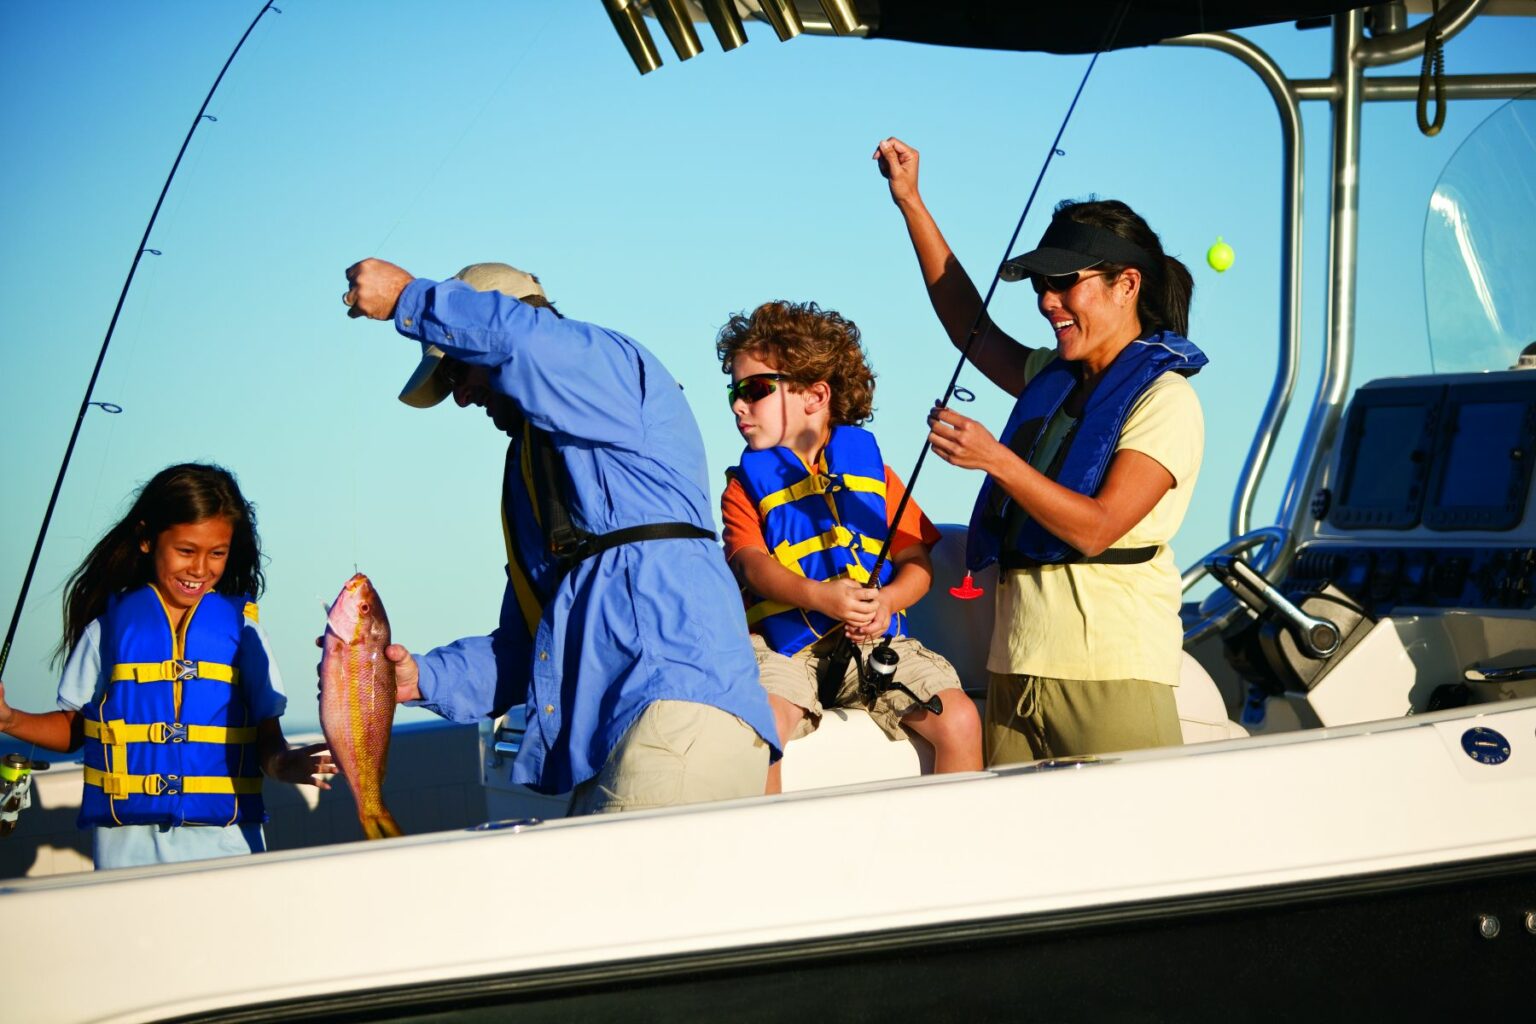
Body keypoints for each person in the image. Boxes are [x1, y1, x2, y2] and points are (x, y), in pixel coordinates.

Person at [342, 258, 779, 813]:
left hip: (676, 706)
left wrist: (409, 298)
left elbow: (523, 342)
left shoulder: (604, 364)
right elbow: (527, 645)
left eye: (457, 371)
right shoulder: (532, 471)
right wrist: (421, 677)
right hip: (616, 737)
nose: (460, 397)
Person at [874, 136, 1207, 764]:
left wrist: (995, 458)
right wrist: (912, 203)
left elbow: (1098, 527)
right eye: (1039, 285)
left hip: (1113, 676)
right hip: (1014, 667)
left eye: (1064, 283)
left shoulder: (1166, 402)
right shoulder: (1052, 376)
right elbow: (968, 326)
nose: (1046, 300)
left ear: (1125, 284)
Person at [0, 463, 331, 869]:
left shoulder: (244, 632)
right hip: (127, 858)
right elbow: (74, 729)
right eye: (186, 551)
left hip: (230, 852)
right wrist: (9, 719)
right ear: (146, 539)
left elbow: (267, 740)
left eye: (217, 554)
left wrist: (285, 764)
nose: (200, 569)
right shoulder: (107, 632)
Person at [716, 299, 982, 793]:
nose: (738, 404)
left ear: (816, 395)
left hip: (874, 644)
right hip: (784, 649)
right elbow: (752, 566)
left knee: (961, 719)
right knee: (762, 727)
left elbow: (916, 562)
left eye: (754, 389)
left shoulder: (876, 477)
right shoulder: (742, 487)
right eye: (733, 390)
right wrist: (819, 597)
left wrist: (888, 602)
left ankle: (950, 851)